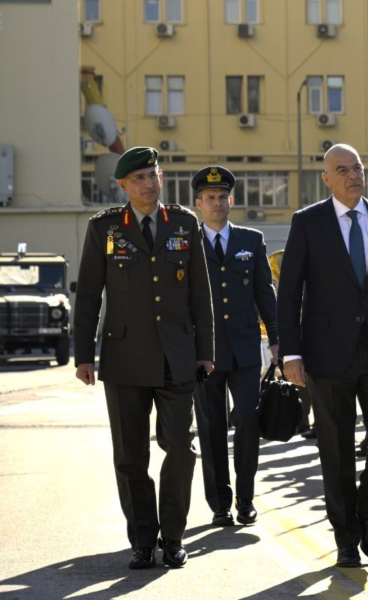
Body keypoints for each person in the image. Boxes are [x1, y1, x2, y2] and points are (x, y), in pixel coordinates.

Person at [277, 144, 368, 569]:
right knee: (335, 449)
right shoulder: (308, 222)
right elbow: (290, 293)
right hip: (326, 352)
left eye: (357, 167)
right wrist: (291, 353)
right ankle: (345, 535)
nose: (353, 175)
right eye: (342, 169)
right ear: (327, 178)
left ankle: (367, 514)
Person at [73, 146, 214, 569]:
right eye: (140, 179)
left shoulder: (184, 224)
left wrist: (206, 352)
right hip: (125, 358)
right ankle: (141, 539)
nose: (150, 184)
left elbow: (200, 293)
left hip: (178, 357)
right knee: (131, 455)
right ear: (122, 186)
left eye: (154, 175)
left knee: (181, 450)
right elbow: (88, 299)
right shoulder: (106, 229)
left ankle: (172, 536)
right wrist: (84, 356)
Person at [191, 166, 279, 527]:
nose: (217, 203)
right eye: (210, 198)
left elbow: (264, 292)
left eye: (223, 196)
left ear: (232, 200)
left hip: (244, 350)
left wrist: (276, 339)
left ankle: (245, 499)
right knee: (211, 428)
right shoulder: (187, 243)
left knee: (246, 419)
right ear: (198, 203)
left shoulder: (251, 240)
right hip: (204, 353)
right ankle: (220, 503)